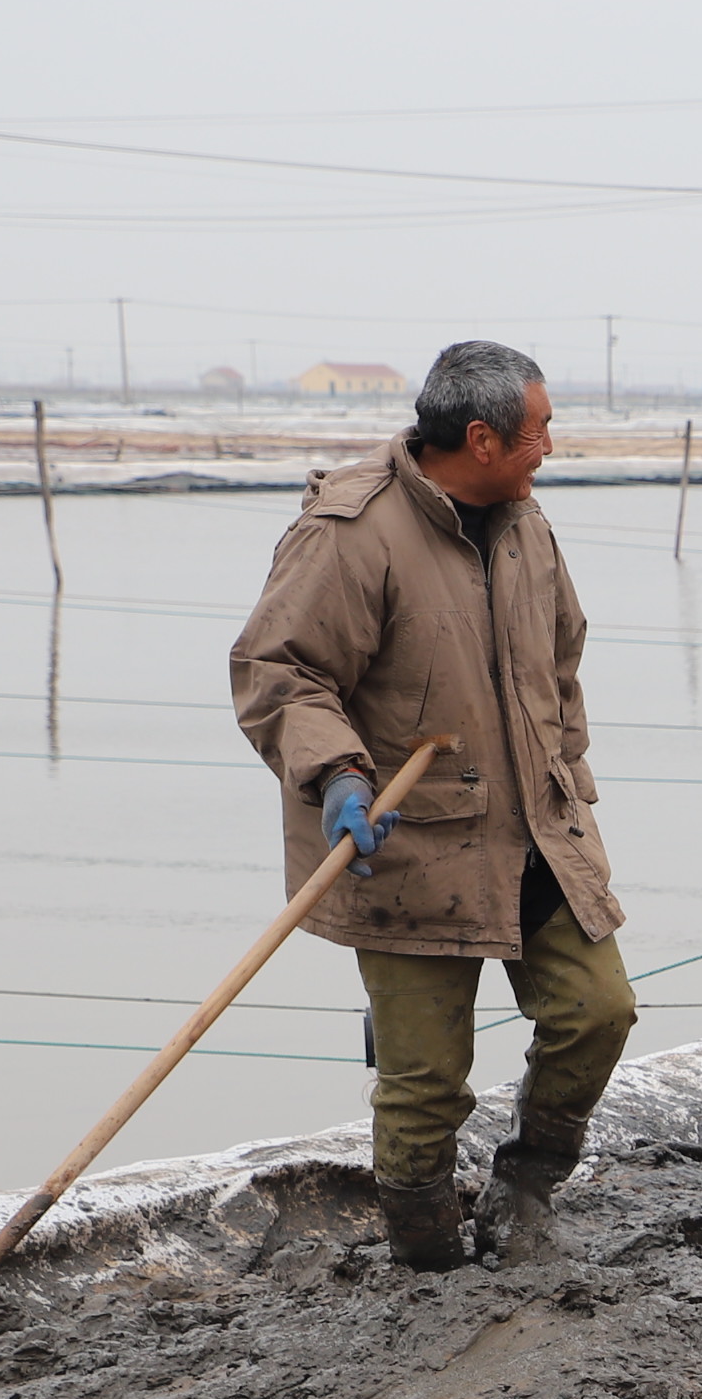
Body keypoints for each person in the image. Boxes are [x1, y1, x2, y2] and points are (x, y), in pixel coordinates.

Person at [231, 340, 635, 1270]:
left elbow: (561, 663)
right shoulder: (349, 532)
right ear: (482, 438)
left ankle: (526, 1188)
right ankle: (424, 1256)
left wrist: (571, 782)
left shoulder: (525, 521)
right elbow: (281, 673)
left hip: (539, 830)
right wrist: (339, 775)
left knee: (598, 1011)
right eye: (539, 431)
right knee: (424, 1082)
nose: (550, 448)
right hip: (407, 842)